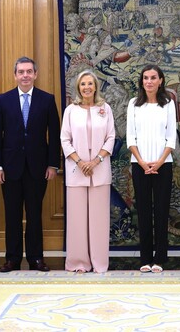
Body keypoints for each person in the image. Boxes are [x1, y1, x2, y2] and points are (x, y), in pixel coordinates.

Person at [0, 57, 61, 272]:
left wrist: (52, 165)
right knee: (11, 215)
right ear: (15, 75)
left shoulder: (47, 100)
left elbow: (54, 135)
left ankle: (36, 258)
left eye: (29, 71)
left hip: (37, 168)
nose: (25, 75)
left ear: (35, 74)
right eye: (21, 72)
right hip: (9, 168)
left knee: (34, 215)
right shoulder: (3, 100)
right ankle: (12, 259)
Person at [61, 70, 115, 273]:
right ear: (78, 87)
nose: (87, 87)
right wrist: (80, 161)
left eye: (90, 84)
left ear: (96, 87)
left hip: (99, 171)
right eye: (83, 84)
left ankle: (99, 263)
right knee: (77, 219)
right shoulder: (71, 110)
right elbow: (64, 139)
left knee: (99, 220)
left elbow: (111, 137)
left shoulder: (105, 109)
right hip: (77, 171)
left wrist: (96, 160)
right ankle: (78, 263)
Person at [126, 64, 177, 273]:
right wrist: (142, 161)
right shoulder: (133, 104)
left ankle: (160, 258)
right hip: (139, 165)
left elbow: (171, 137)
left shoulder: (168, 104)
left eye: (153, 77)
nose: (149, 81)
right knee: (144, 211)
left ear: (160, 80)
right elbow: (131, 137)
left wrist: (158, 161)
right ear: (142, 81)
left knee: (162, 211)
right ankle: (145, 258)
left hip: (163, 165)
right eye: (146, 78)